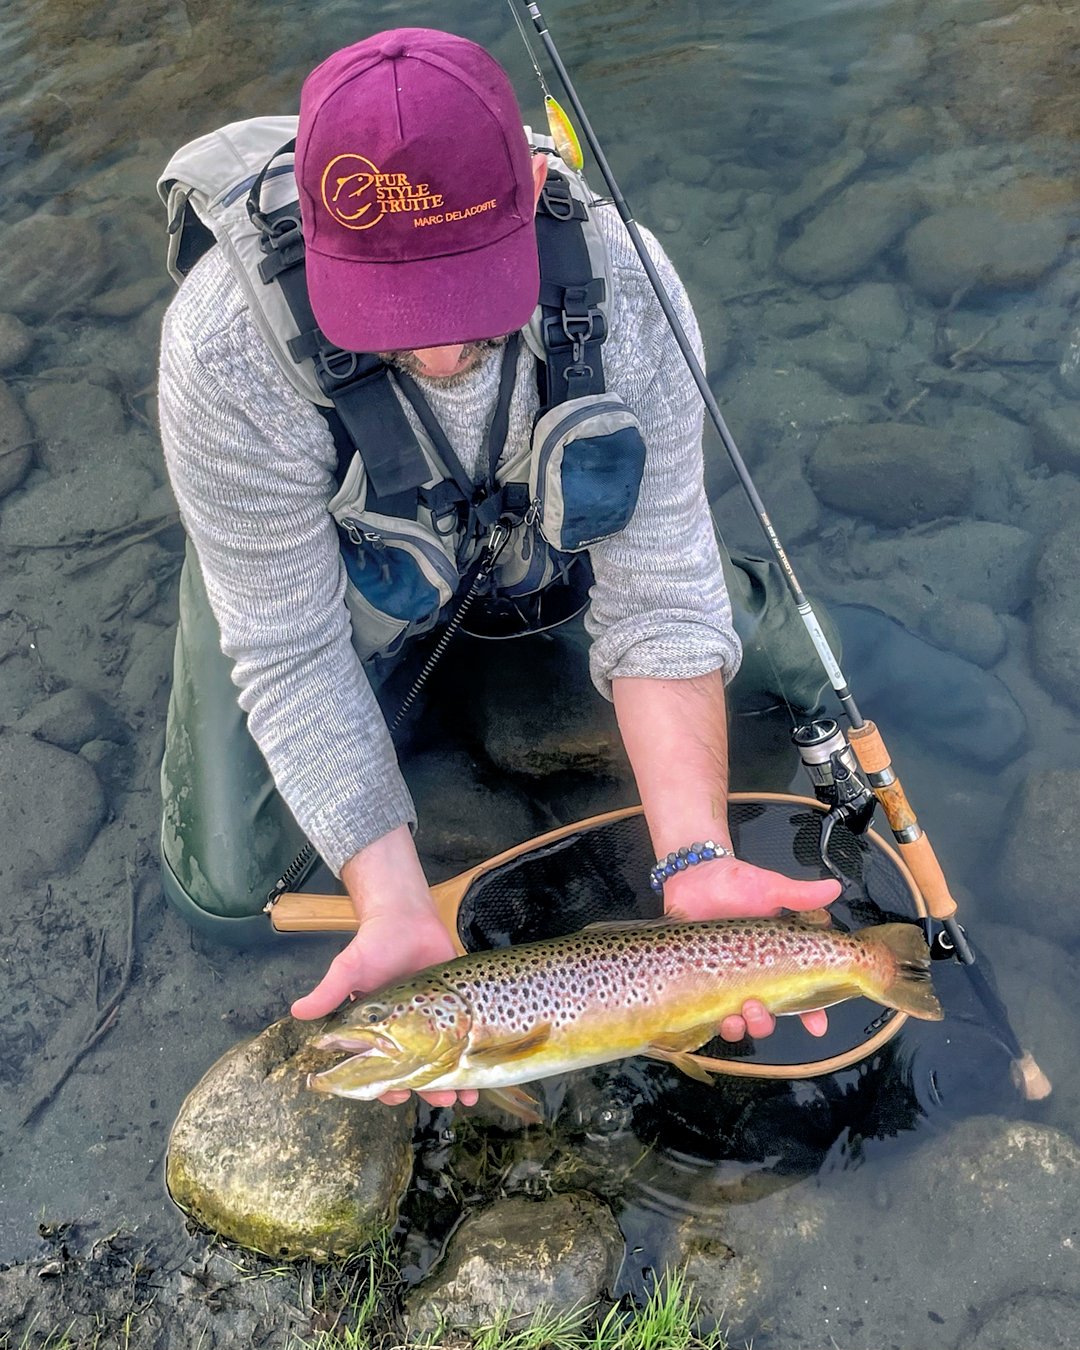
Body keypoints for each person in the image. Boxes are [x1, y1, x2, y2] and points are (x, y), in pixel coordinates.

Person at [157, 28, 840, 1109]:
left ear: (529, 192)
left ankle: (745, 613)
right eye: (390, 313)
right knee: (228, 891)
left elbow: (659, 593)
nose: (433, 355)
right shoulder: (224, 349)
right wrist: (391, 901)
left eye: (464, 302)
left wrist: (693, 856)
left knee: (749, 636)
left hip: (538, 547)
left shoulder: (625, 281)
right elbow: (288, 653)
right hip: (330, 586)